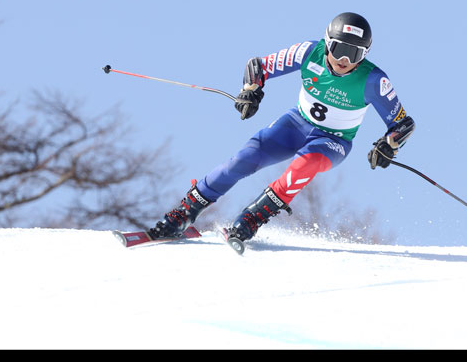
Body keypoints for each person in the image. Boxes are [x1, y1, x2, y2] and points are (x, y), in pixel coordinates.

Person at [148, 12, 416, 245]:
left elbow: (402, 123)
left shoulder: (373, 80)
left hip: (333, 141)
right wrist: (251, 90)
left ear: (365, 54)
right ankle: (185, 212)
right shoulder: (309, 52)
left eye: (354, 53)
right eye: (338, 49)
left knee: (305, 165)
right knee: (244, 158)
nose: (344, 59)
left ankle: (253, 217)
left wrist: (389, 145)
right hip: (295, 125)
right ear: (327, 43)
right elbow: (259, 66)